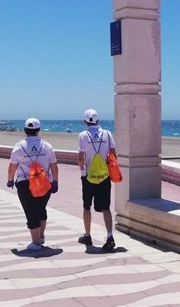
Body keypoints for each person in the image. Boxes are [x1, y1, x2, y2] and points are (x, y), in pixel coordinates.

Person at [7, 118, 58, 251]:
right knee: (41, 209)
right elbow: (54, 165)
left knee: (31, 211)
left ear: (25, 130)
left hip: (25, 183)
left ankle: (35, 243)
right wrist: (56, 182)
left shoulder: (19, 146)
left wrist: (10, 180)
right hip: (45, 182)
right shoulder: (47, 146)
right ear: (38, 130)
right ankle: (40, 236)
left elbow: (12, 166)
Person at [77, 108, 117, 252]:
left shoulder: (83, 135)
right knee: (105, 207)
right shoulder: (107, 133)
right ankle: (110, 235)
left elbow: (81, 157)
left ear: (85, 121)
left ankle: (88, 235)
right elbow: (113, 154)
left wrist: (83, 172)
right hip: (104, 175)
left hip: (88, 176)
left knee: (86, 206)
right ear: (98, 121)